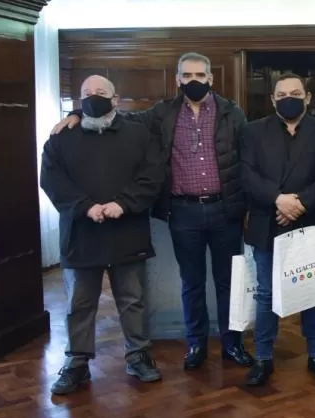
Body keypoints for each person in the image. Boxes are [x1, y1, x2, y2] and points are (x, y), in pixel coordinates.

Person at [53, 52, 253, 371]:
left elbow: (247, 157)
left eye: (200, 75)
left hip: (224, 209)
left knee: (229, 281)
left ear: (211, 79)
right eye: (186, 76)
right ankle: (196, 344)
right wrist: (80, 112)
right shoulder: (162, 113)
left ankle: (233, 344)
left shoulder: (232, 113)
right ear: (177, 80)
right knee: (192, 281)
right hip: (183, 211)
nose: (193, 81)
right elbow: (118, 116)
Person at [40, 75, 164, 395]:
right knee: (79, 303)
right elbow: (52, 180)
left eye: (100, 93)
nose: (93, 97)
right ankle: (78, 362)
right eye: (86, 93)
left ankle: (138, 354)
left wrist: (124, 204)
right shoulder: (61, 138)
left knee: (132, 299)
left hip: (127, 228)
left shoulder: (139, 134)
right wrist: (84, 207)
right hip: (81, 231)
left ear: (116, 98)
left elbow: (152, 175)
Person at [241, 73, 315, 385]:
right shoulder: (252, 131)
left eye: (295, 93)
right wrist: (278, 200)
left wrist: (298, 204)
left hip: (308, 223)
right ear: (272, 99)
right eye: (282, 94)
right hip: (266, 222)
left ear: (308, 98)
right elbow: (246, 173)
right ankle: (263, 358)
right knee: (266, 293)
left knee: (310, 292)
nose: (289, 98)